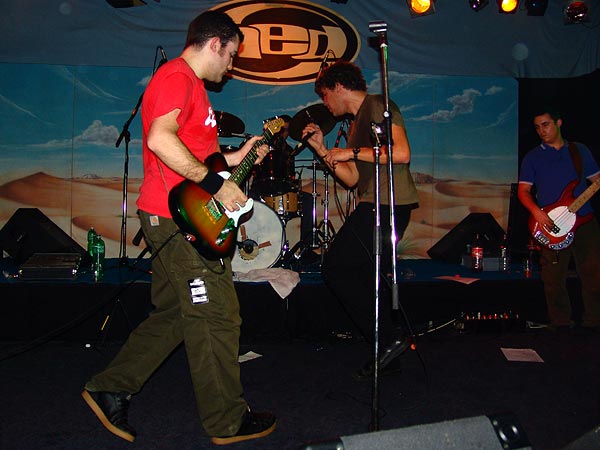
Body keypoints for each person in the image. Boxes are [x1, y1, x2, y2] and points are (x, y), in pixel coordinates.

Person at [81, 10, 276, 446]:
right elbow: (159, 140)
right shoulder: (177, 77)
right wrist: (217, 186)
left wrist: (238, 156)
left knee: (174, 314)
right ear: (215, 44)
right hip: (178, 222)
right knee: (216, 314)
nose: (232, 65)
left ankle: (110, 387)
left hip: (172, 218)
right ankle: (227, 421)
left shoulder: (193, 88)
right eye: (232, 54)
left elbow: (197, 157)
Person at [301, 61, 419, 379]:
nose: (325, 103)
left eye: (325, 95)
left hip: (389, 203)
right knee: (363, 275)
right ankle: (388, 350)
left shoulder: (378, 104)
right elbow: (352, 179)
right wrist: (322, 150)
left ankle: (388, 339)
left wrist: (351, 153)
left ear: (339, 87)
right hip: (374, 202)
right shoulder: (355, 126)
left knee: (336, 268)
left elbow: (401, 153)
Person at [518, 105, 600, 333]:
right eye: (537, 127)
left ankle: (594, 322)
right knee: (553, 277)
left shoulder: (579, 151)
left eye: (545, 125)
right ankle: (561, 323)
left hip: (584, 220)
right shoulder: (533, 157)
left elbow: (595, 180)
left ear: (558, 123)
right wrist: (537, 212)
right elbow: (523, 191)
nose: (541, 131)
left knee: (594, 273)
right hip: (550, 224)